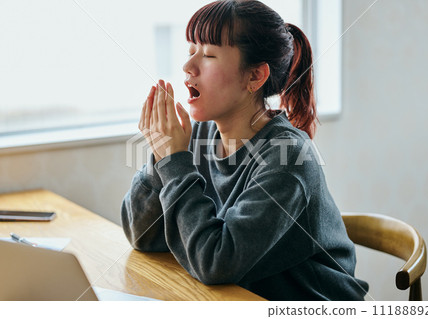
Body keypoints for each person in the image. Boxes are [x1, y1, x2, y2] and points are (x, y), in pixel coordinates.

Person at [122, 0, 368, 301]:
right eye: (190, 52)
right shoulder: (197, 136)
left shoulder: (286, 156)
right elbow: (143, 236)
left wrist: (174, 162)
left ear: (255, 77)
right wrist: (162, 155)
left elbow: (215, 262)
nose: (188, 67)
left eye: (209, 55)